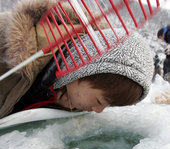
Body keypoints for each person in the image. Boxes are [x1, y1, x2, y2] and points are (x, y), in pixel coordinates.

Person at [0, 0, 154, 118]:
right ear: (82, 71)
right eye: (100, 101)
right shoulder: (7, 42)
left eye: (108, 105)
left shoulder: (71, 90)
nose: (98, 111)